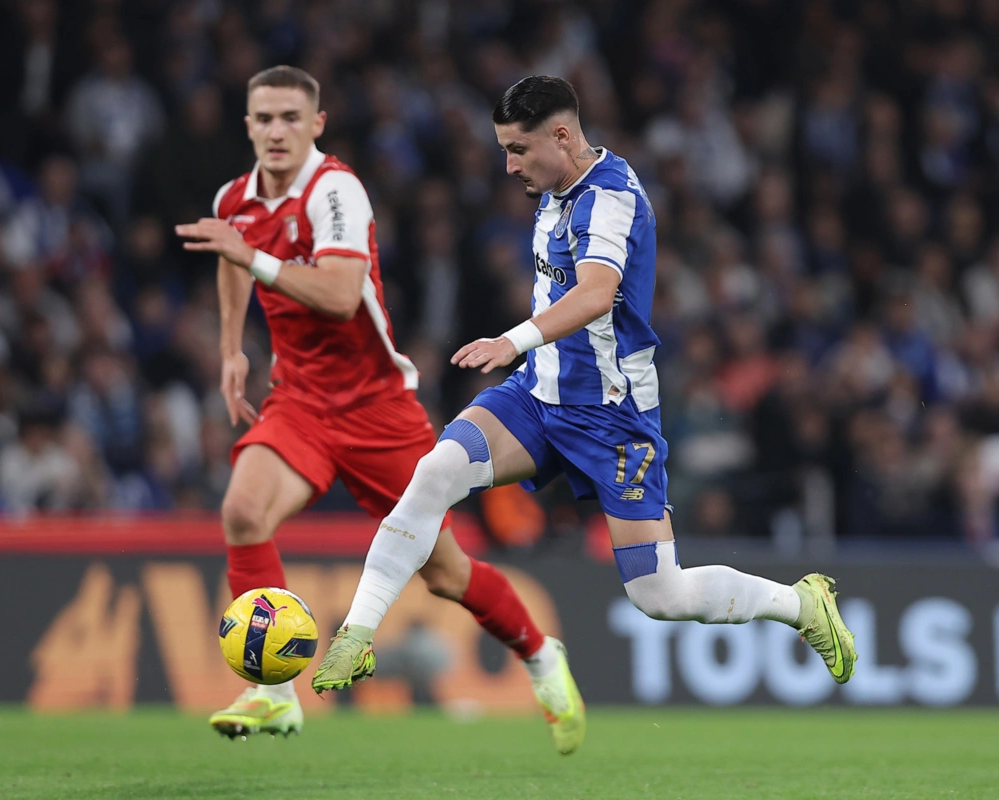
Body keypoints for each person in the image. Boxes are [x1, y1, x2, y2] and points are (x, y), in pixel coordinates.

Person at [312, 76, 857, 705]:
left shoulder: (612, 196)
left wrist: (511, 340)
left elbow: (597, 293)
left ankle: (801, 603)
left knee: (659, 594)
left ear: (563, 136)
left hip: (612, 417)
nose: (508, 165)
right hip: (538, 398)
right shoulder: (554, 187)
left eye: (517, 150)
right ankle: (356, 634)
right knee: (435, 471)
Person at [175, 66, 583, 752]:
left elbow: (337, 294)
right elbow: (230, 258)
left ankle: (543, 654)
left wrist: (255, 259)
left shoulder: (336, 190)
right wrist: (230, 348)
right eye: (264, 118)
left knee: (447, 573)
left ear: (317, 125)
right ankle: (274, 696)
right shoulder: (236, 198)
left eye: (290, 118)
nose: (276, 131)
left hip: (377, 407)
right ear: (247, 124)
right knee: (243, 512)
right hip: (300, 400)